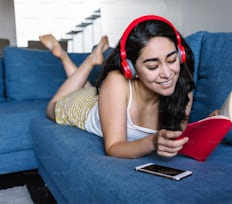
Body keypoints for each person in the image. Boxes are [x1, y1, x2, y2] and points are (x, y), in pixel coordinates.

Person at [40, 15, 196, 159]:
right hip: (85, 107)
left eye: (172, 60)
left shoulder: (183, 85)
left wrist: (206, 128)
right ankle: (79, 58)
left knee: (87, 89)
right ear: (131, 69)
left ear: (181, 55)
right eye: (153, 66)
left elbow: (179, 131)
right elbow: (114, 147)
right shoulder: (116, 81)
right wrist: (152, 142)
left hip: (107, 100)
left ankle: (92, 57)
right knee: (51, 107)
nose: (167, 74)